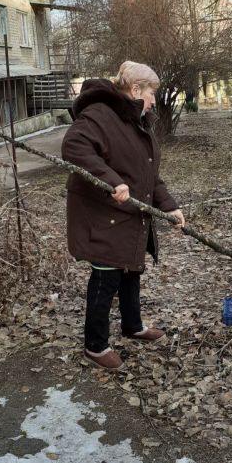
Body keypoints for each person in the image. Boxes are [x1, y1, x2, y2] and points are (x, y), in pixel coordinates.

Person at [62, 61, 185, 371]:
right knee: (106, 278)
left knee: (131, 272)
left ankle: (133, 326)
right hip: (105, 215)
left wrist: (169, 206)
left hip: (129, 214)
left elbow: (147, 174)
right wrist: (111, 180)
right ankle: (95, 345)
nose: (155, 100)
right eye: (152, 93)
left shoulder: (135, 122)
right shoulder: (101, 115)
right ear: (135, 90)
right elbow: (74, 146)